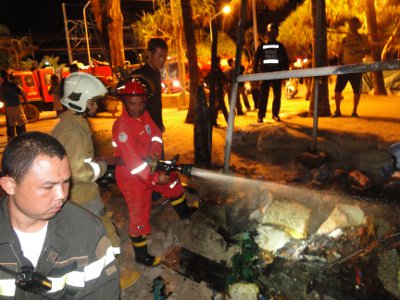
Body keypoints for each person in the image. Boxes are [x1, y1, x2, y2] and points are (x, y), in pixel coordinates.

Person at [0, 131, 119, 299]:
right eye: (48, 186)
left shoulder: (87, 232)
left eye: (66, 182)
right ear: (9, 185)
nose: (61, 195)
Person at [51, 72, 140, 289]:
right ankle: (114, 279)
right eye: (92, 101)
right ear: (80, 100)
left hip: (76, 197)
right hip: (83, 197)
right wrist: (102, 168)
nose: (96, 106)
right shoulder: (73, 131)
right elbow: (78, 170)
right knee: (105, 236)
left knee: (90, 238)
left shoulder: (71, 124)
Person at [112, 76, 197, 267]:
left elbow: (156, 136)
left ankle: (184, 212)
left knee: (173, 181)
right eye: (132, 104)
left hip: (149, 166)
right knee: (139, 216)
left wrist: (155, 160)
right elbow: (134, 164)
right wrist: (155, 177)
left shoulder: (145, 116)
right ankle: (141, 255)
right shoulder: (122, 127)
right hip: (131, 177)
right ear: (124, 102)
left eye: (141, 103)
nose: (137, 108)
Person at [332, 17, 370, 118]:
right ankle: (337, 110)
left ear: (357, 25)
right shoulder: (344, 39)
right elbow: (339, 53)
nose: (351, 26)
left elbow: (368, 51)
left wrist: (359, 52)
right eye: (350, 24)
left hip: (357, 67)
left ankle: (354, 111)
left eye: (354, 24)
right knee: (337, 90)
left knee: (356, 91)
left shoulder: (362, 38)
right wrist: (339, 65)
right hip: (345, 67)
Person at [254, 23, 289, 122]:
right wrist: (256, 72)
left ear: (277, 33)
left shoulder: (280, 46)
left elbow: (285, 59)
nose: (273, 34)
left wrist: (286, 72)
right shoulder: (262, 46)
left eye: (275, 32)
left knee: (277, 96)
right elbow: (256, 60)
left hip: (277, 73)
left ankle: (275, 114)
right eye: (271, 32)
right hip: (265, 74)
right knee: (263, 96)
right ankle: (260, 115)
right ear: (268, 33)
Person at [131, 38, 168, 133]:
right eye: (160, 56)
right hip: (144, 128)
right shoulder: (139, 75)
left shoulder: (157, 73)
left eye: (164, 57)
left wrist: (160, 123)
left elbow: (156, 102)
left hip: (156, 125)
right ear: (150, 54)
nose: (163, 60)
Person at [0, 70, 28, 140]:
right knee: (21, 122)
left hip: (8, 107)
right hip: (16, 105)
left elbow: (1, 98)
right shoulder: (11, 83)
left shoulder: (2, 86)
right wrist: (26, 103)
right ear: (7, 76)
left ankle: (12, 138)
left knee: (11, 123)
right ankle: (25, 138)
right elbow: (21, 92)